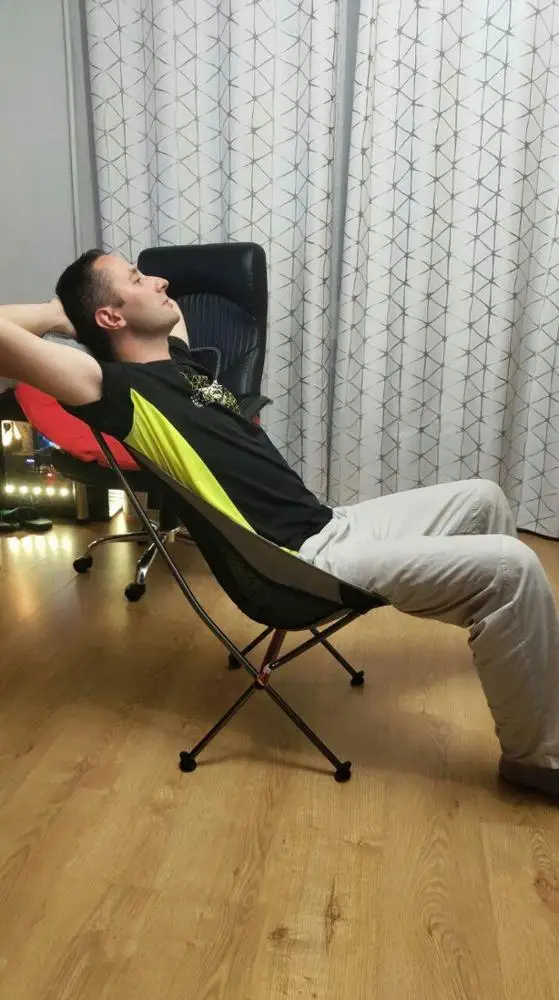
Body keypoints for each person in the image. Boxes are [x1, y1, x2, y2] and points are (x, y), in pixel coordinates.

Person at [0, 248, 558, 801]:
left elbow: (175, 303)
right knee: (510, 567)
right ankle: (536, 757)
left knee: (483, 499)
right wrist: (57, 316)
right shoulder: (114, 389)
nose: (159, 281)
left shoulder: (180, 361)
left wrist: (115, 296)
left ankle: (525, 671)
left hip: (327, 525)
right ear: (109, 316)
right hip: (294, 563)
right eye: (138, 278)